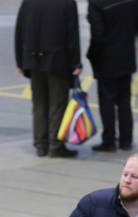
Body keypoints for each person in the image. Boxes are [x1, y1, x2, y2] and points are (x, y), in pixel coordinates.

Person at [15, 0, 81, 158]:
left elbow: (20, 30)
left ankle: (40, 144)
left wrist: (20, 60)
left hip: (33, 60)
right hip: (58, 60)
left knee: (39, 103)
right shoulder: (67, 3)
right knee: (57, 105)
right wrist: (75, 62)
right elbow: (72, 35)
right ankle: (56, 145)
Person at [87, 0, 137, 152]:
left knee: (107, 101)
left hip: (106, 59)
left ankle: (109, 140)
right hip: (127, 56)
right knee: (124, 100)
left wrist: (91, 55)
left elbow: (97, 33)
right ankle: (126, 140)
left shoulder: (96, 3)